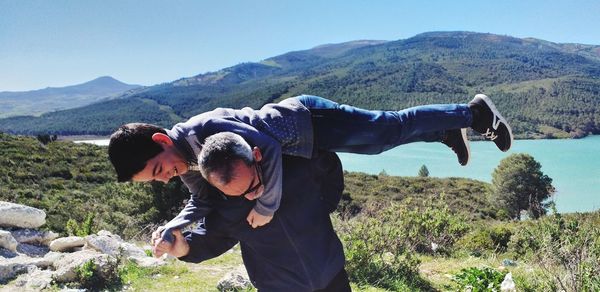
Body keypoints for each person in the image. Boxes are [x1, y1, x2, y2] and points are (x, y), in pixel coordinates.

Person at [108, 93, 512, 238]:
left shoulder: (202, 129)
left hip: (309, 120)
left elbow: (265, 143)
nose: (167, 177)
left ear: (162, 142)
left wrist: (265, 206)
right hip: (309, 145)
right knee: (380, 146)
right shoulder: (191, 165)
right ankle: (445, 129)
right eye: (156, 181)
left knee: (387, 130)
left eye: (160, 169)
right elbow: (202, 202)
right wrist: (174, 226)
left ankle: (474, 114)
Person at [152, 151, 350, 291]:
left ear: (256, 156)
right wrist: (184, 248)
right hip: (277, 288)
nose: (250, 196)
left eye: (252, 184)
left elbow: (328, 165)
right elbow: (212, 237)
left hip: (333, 276)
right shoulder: (229, 205)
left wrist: (323, 206)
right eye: (237, 192)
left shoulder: (294, 164)